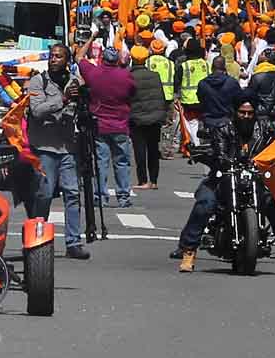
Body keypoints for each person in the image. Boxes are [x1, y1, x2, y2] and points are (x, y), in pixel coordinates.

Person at [173, 63, 275, 275]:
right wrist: (217, 159)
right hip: (224, 177)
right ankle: (188, 250)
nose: (246, 116)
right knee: (205, 203)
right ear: (235, 112)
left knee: (274, 205)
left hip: (255, 180)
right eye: (242, 112)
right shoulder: (223, 128)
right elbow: (219, 149)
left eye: (249, 113)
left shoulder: (264, 128)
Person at [21, 44, 89, 259]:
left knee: (73, 193)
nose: (54, 60)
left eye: (59, 57)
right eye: (51, 56)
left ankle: (73, 242)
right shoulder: (38, 81)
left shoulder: (75, 81)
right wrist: (64, 99)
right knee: (44, 194)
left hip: (68, 147)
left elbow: (85, 110)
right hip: (45, 147)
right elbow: (37, 110)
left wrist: (84, 98)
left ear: (67, 60)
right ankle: (38, 239)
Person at [81, 46, 136, 207]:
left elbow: (79, 57)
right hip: (120, 124)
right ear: (117, 60)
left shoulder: (93, 73)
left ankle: (100, 196)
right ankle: (123, 197)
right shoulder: (125, 76)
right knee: (122, 162)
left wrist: (91, 37)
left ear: (102, 59)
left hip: (99, 124)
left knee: (100, 161)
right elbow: (132, 93)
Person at [126, 46, 169, 191]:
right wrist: (164, 115)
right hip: (154, 118)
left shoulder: (129, 76)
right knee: (153, 149)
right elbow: (160, 96)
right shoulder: (155, 75)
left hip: (137, 118)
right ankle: (154, 180)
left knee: (139, 150)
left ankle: (143, 180)